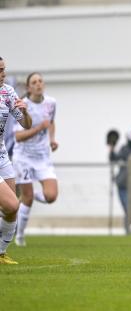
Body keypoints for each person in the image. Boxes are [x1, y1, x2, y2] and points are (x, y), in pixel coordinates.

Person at [13, 72, 59, 247]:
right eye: (34, 82)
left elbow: (51, 122)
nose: (39, 84)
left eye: (41, 81)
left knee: (51, 196)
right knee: (29, 197)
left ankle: (25, 199)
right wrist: (39, 127)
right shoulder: (23, 106)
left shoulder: (51, 102)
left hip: (42, 157)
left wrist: (52, 140)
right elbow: (17, 136)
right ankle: (20, 237)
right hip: (23, 157)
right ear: (28, 87)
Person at [0, 57, 32, 264]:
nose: (3, 73)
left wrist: (25, 111)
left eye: (4, 69)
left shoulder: (8, 92)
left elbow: (27, 125)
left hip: (2, 155)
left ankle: (1, 253)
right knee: (11, 204)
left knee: (11, 209)